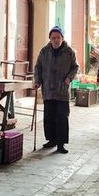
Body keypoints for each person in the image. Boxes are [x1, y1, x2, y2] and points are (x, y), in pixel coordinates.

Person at [34, 26, 79, 154]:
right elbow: (38, 67)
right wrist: (37, 81)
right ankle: (51, 140)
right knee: (49, 117)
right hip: (48, 90)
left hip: (62, 90)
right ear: (50, 39)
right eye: (53, 38)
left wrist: (69, 78)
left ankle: (61, 144)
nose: (56, 40)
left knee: (62, 117)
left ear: (62, 38)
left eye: (58, 37)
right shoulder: (44, 51)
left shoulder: (69, 52)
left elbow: (75, 67)